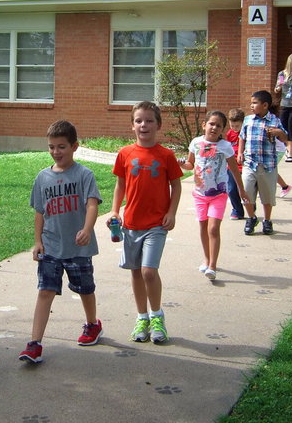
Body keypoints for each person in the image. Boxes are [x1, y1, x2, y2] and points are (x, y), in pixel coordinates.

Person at [18, 120, 103, 364]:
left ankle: (92, 324)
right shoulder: (42, 178)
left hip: (78, 248)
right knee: (45, 291)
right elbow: (39, 212)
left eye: (62, 147)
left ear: (74, 146)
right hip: (51, 246)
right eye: (52, 147)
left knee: (85, 289)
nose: (56, 152)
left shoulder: (84, 174)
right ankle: (34, 343)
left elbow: (92, 204)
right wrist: (37, 242)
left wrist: (87, 229)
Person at [109, 101, 182, 344]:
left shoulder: (166, 155)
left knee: (149, 271)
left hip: (156, 225)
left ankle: (157, 315)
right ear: (132, 125)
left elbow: (176, 185)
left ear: (158, 125)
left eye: (149, 120)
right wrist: (114, 211)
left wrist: (172, 212)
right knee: (135, 272)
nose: (144, 125)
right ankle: (142, 318)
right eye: (139, 120)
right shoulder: (125, 154)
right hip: (130, 224)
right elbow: (120, 184)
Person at [183, 110, 248, 282]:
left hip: (219, 194)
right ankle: (206, 259)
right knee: (203, 228)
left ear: (222, 130)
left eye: (218, 125)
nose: (214, 127)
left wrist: (241, 190)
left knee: (213, 229)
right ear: (204, 125)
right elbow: (190, 164)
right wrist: (182, 164)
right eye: (211, 124)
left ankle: (213, 265)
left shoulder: (225, 146)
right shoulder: (196, 142)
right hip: (199, 194)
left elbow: (234, 169)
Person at [237, 91, 288, 236]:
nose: (251, 105)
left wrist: (278, 132)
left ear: (265, 105)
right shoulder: (248, 120)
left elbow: (285, 138)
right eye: (251, 103)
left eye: (254, 103)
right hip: (250, 164)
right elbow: (242, 137)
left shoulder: (274, 121)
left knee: (267, 196)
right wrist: (240, 153)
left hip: (268, 165)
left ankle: (267, 220)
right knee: (246, 193)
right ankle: (252, 218)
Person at [225, 108, 246, 220]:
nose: (234, 128)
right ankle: (237, 210)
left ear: (243, 122)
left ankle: (251, 206)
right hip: (232, 166)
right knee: (231, 189)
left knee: (245, 189)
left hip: (244, 166)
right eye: (232, 125)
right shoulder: (230, 133)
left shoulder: (246, 133)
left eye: (237, 126)